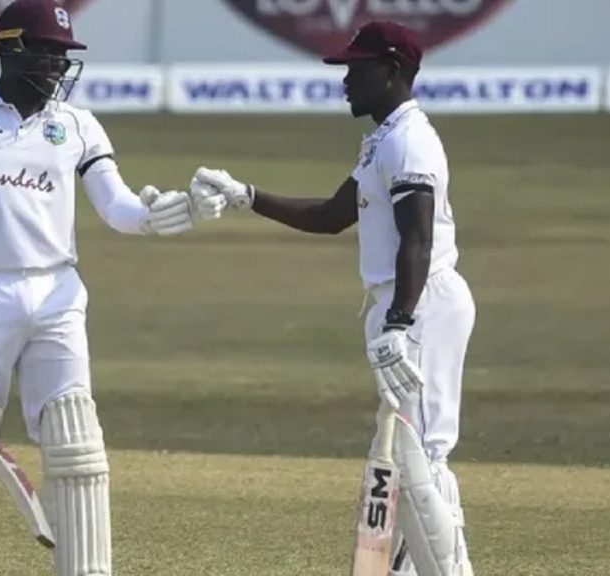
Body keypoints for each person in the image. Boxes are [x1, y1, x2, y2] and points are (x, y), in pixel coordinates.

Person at [0, 1, 223, 575]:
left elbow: (118, 205)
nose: (59, 64)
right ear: (9, 48)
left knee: (76, 445)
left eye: (65, 54)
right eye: (48, 52)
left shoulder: (78, 125)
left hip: (58, 294)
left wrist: (159, 213)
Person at [189, 20, 475, 576]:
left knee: (422, 453)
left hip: (423, 305)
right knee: (407, 452)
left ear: (392, 71)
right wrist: (247, 196)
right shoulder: (383, 140)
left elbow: (418, 239)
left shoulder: (410, 140)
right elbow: (331, 215)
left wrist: (399, 321)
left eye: (356, 69)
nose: (345, 81)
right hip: (404, 304)